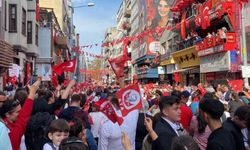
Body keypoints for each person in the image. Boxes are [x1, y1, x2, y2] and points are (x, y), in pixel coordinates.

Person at [0, 78, 41, 150]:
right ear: (7, 114)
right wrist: (32, 93)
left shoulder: (5, 123)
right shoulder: (8, 131)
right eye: (18, 112)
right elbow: (23, 116)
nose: (20, 113)